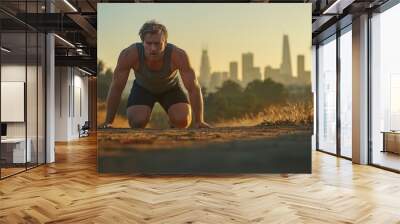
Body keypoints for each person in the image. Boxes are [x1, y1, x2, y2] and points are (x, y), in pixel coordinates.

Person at [102, 20, 211, 129]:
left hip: (170, 88)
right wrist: (108, 121)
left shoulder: (179, 56)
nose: (153, 48)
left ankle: (173, 124)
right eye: (149, 43)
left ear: (165, 42)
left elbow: (193, 87)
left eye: (157, 43)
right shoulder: (129, 54)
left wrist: (199, 121)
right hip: (143, 88)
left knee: (182, 121)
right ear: (142, 42)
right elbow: (117, 87)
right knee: (137, 122)